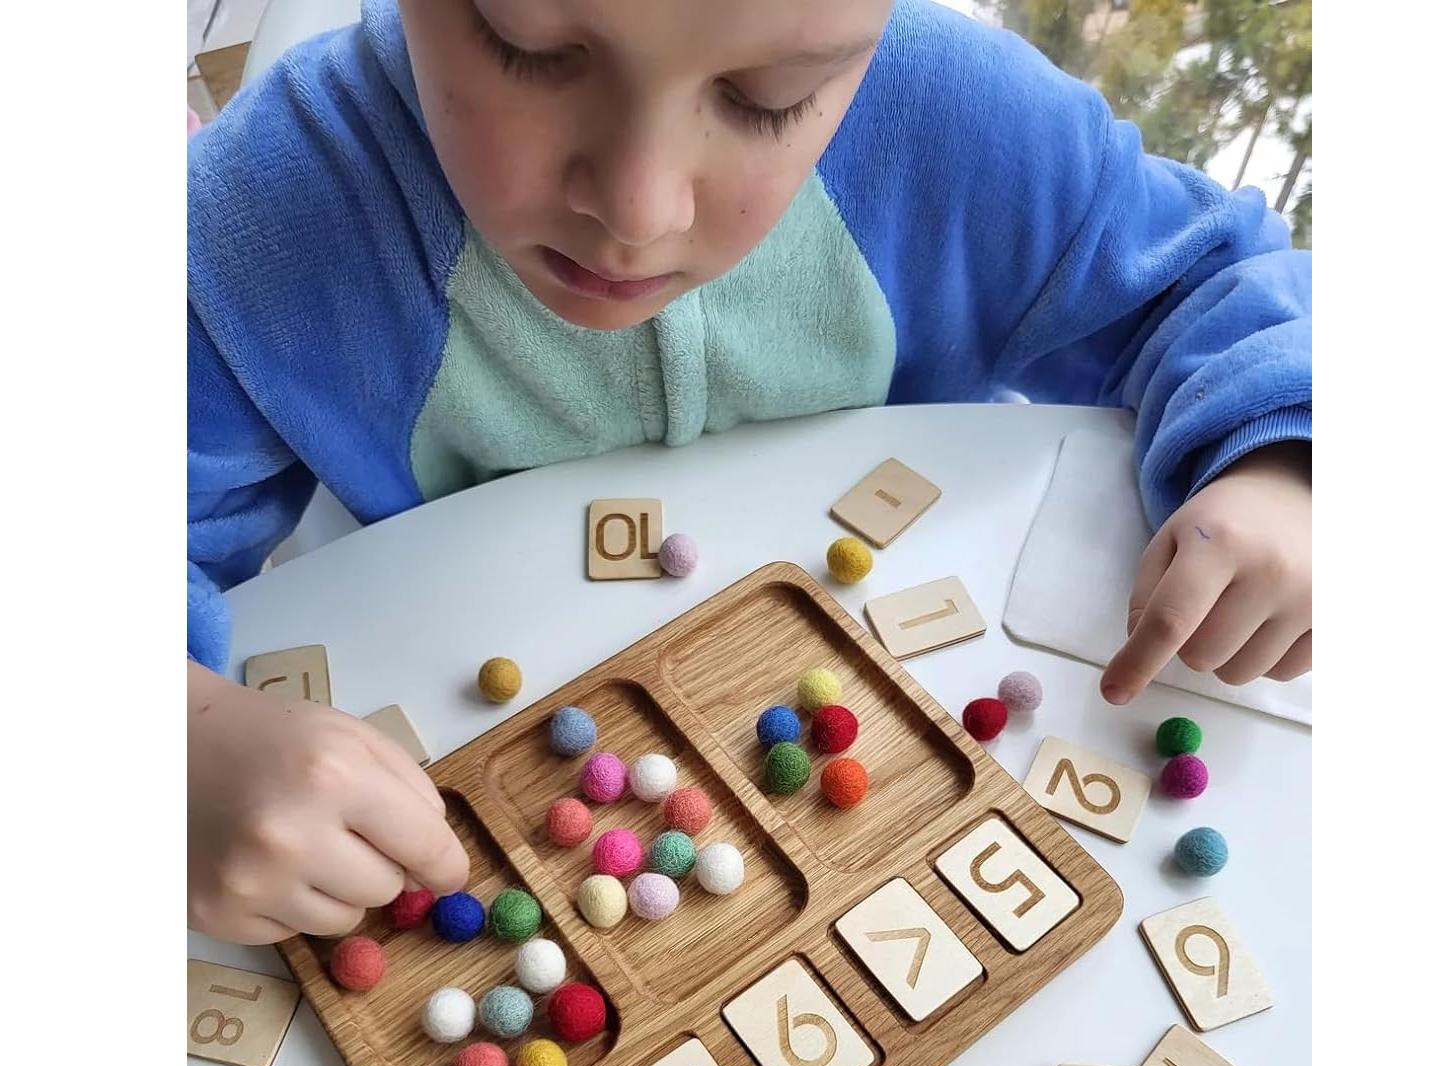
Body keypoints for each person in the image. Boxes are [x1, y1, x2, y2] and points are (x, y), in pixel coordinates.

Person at [188, 0, 1311, 942]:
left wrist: (1282, 458)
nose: (639, 208)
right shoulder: (275, 211)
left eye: (771, 96)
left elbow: (1213, 273)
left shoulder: (956, 119)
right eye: (530, 44)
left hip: (926, 758)